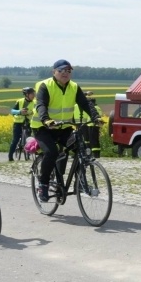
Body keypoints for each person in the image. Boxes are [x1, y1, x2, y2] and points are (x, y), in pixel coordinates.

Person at [31, 60, 101, 202]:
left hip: (64, 128)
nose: (65, 73)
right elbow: (41, 104)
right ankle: (43, 185)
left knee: (81, 149)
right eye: (62, 70)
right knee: (51, 152)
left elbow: (85, 103)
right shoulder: (45, 86)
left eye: (69, 71)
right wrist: (46, 119)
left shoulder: (74, 87)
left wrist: (96, 117)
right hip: (43, 128)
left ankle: (80, 181)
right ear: (54, 72)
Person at [8, 87, 36, 161]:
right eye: (32, 94)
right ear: (26, 95)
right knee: (15, 140)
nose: (34, 95)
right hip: (18, 123)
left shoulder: (35, 103)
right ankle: (10, 156)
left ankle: (28, 155)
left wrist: (31, 112)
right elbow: (12, 111)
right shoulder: (19, 101)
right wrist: (19, 112)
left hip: (28, 122)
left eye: (34, 93)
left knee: (29, 139)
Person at [73, 92, 104, 158]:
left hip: (80, 124)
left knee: (83, 139)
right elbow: (99, 115)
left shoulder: (76, 106)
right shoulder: (95, 108)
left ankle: (83, 153)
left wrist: (74, 123)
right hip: (89, 124)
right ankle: (94, 154)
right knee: (92, 140)